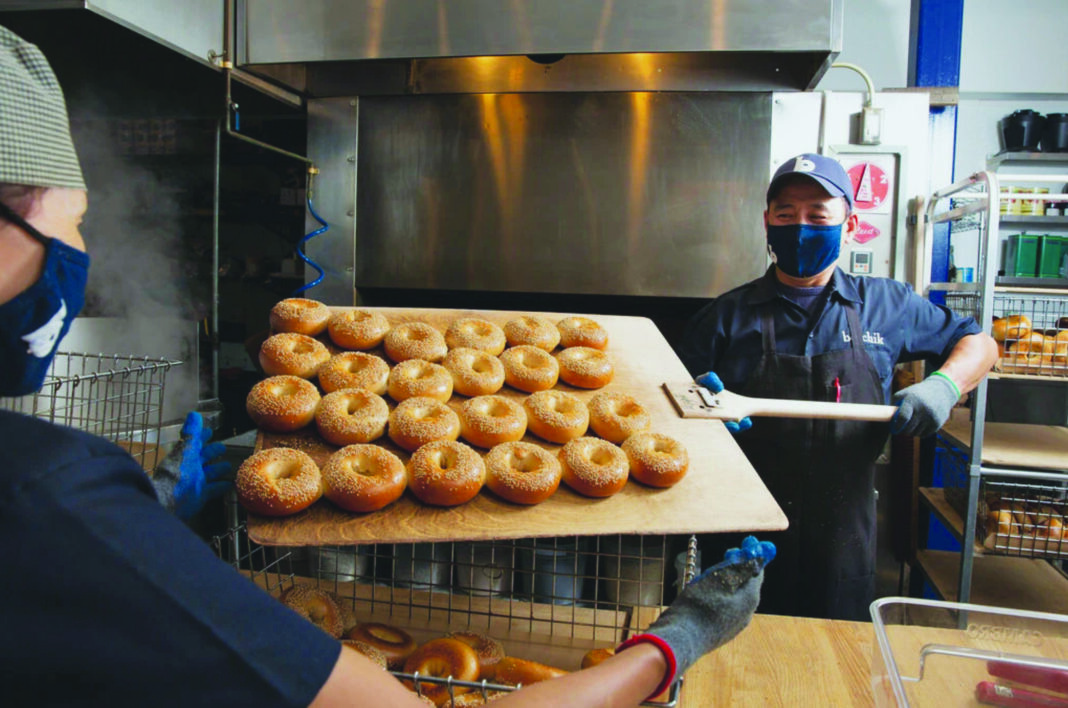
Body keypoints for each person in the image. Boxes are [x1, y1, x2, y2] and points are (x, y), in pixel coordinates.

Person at [0, 25, 775, 706]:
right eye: (72, 223)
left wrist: (144, 533)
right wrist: (673, 644)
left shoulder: (51, 496)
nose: (81, 252)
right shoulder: (49, 494)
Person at [681, 153, 999, 622]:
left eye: (818, 215)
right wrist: (700, 417)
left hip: (843, 537)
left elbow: (979, 342)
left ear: (848, 225)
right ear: (766, 223)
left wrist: (943, 387)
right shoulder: (727, 315)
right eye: (786, 215)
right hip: (743, 531)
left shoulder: (888, 305)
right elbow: (670, 402)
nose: (800, 227)